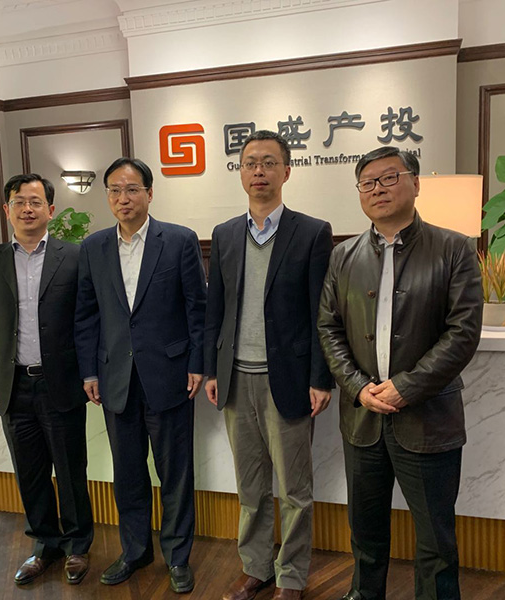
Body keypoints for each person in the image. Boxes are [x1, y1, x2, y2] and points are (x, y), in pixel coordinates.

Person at [317, 146, 483, 600]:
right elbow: (328, 327)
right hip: (363, 419)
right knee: (364, 529)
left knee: (435, 538)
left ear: (415, 183)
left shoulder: (454, 249)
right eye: (367, 182)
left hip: (428, 419)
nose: (378, 189)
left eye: (389, 178)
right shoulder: (343, 255)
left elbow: (463, 333)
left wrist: (407, 387)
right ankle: (364, 593)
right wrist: (357, 388)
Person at [204, 130, 334, 600]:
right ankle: (255, 568)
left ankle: (291, 577)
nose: (258, 171)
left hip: (290, 381)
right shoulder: (225, 234)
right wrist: (212, 369)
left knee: (295, 490)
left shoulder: (312, 232)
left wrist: (321, 378)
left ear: (286, 171)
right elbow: (215, 310)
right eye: (250, 163)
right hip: (236, 379)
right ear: (241, 172)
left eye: (268, 163)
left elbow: (323, 313)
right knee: (250, 487)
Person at [74, 157, 206, 594]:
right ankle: (134, 551)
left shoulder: (179, 241)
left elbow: (197, 309)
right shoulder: (94, 247)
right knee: (128, 474)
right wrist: (89, 371)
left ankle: (178, 556)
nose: (123, 198)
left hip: (170, 376)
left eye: (132, 189)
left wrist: (197, 363)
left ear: (150, 193)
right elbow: (86, 316)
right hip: (115, 379)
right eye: (114, 190)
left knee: (175, 475)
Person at [0, 173, 94, 586]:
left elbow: (87, 321)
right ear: (6, 210)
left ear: (50, 210)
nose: (27, 209)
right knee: (29, 472)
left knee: (71, 469)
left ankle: (77, 545)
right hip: (14, 386)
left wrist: (90, 372)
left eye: (36, 202)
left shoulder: (75, 256)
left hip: (62, 382)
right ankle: (45, 545)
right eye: (19, 202)